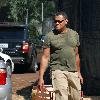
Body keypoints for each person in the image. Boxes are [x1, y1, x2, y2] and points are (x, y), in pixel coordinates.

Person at [38, 11, 83, 100]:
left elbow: (76, 55)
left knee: (76, 97)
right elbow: (45, 57)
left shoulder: (74, 34)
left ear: (66, 21)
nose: (57, 23)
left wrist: (79, 72)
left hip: (73, 71)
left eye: (59, 21)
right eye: (55, 21)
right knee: (62, 97)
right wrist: (41, 77)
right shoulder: (50, 36)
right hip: (57, 70)